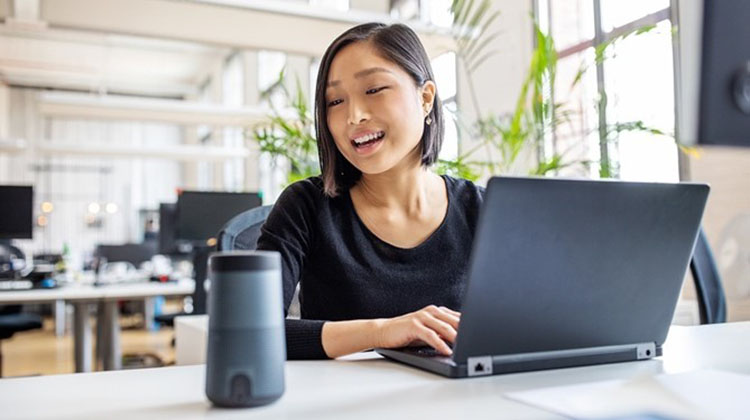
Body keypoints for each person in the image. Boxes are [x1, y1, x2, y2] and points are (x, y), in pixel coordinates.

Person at [256, 22, 484, 360]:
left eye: (374, 89)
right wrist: (382, 331)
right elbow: (252, 331)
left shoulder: (481, 209)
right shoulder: (304, 207)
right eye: (335, 101)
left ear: (425, 98)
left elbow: (534, 319)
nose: (354, 116)